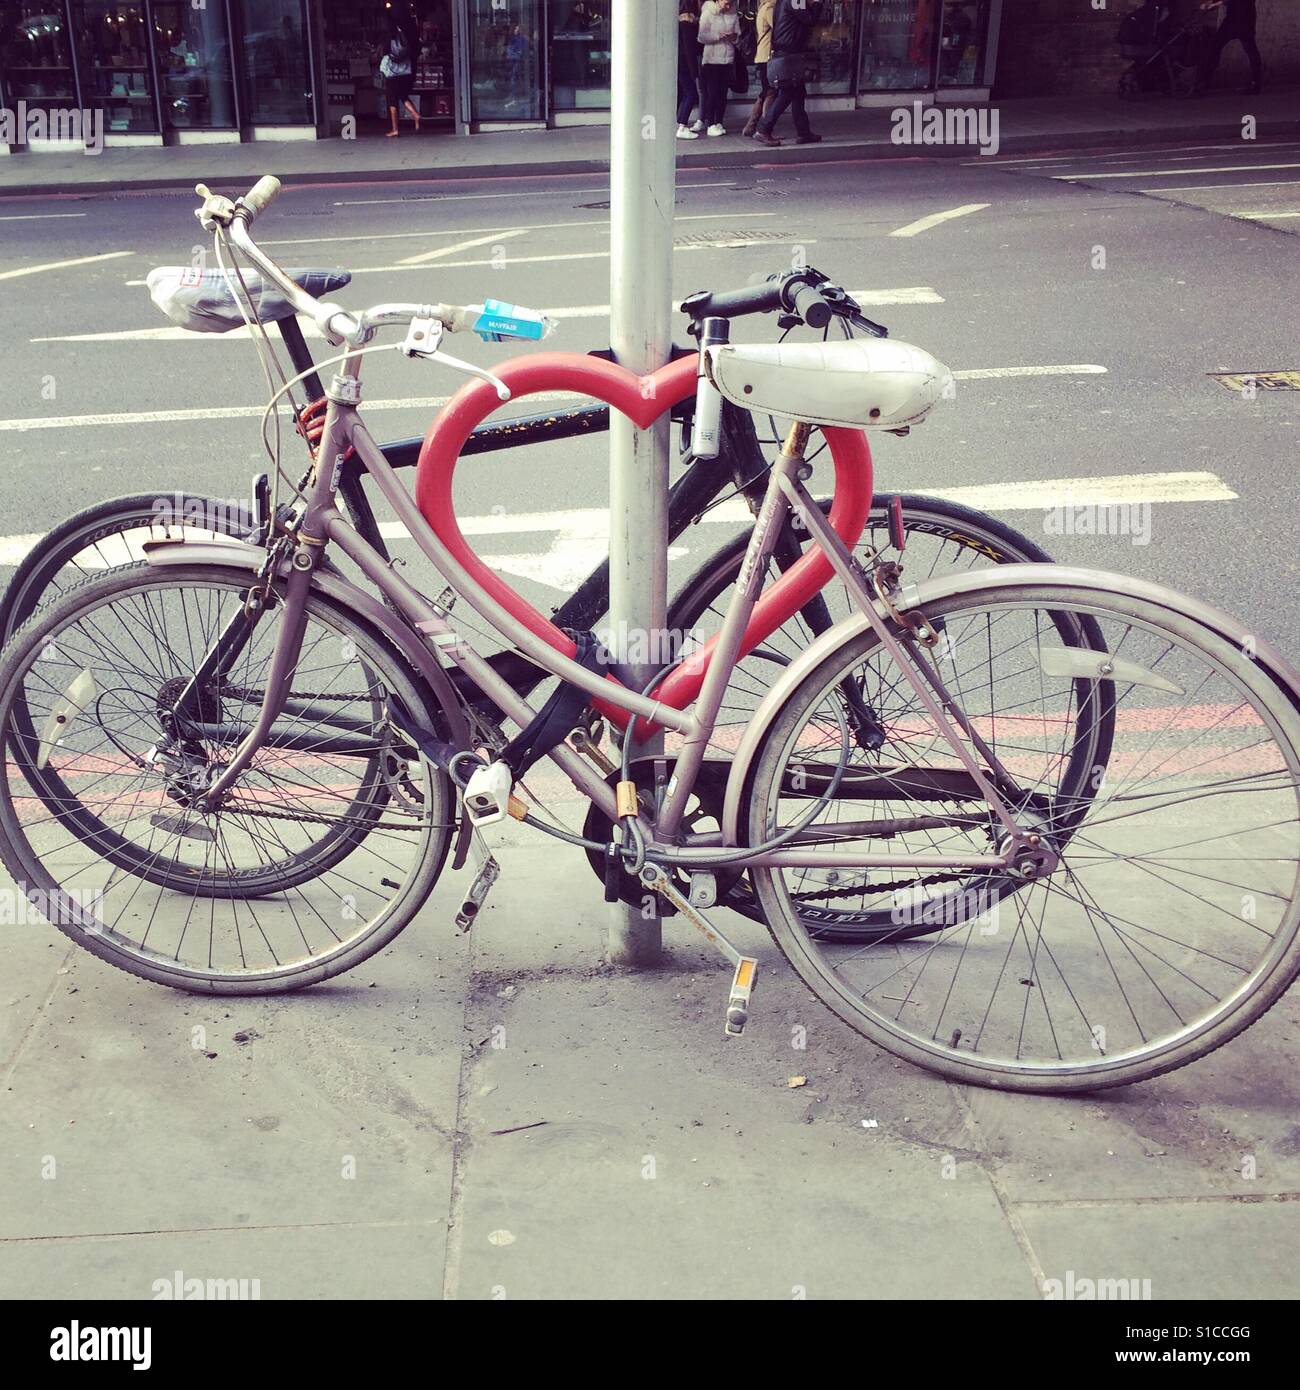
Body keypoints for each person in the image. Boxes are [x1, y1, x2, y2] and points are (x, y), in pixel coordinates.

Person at [753, 0, 822, 148]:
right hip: (789, 53)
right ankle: (764, 129)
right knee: (787, 93)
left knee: (798, 93)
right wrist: (817, 4)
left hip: (788, 52)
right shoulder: (796, 0)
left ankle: (804, 132)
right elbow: (810, 20)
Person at [1196, 0, 1262, 95]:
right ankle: (1205, 81)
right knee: (1216, 46)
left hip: (1244, 19)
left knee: (1251, 51)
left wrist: (1213, 4)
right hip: (1233, 19)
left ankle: (1256, 84)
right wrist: (1210, 3)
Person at [697, 0, 740, 137]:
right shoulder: (708, 13)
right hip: (711, 59)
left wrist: (733, 37)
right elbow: (701, 37)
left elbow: (738, 36)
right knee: (712, 93)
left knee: (722, 93)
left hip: (727, 59)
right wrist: (718, 36)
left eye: (730, 4)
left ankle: (719, 122)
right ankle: (710, 124)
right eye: (725, 3)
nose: (728, 7)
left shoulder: (733, 15)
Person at [742, 0, 777, 139]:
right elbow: (779, 28)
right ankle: (765, 128)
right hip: (767, 55)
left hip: (762, 55)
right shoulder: (769, 8)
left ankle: (750, 127)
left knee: (765, 92)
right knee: (770, 92)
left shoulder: (762, 7)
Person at [380, 18, 420, 137]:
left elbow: (384, 53)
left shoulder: (388, 39)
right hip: (404, 71)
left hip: (392, 73)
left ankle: (395, 129)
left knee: (392, 100)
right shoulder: (402, 36)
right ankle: (415, 114)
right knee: (402, 95)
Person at [676, 1, 703, 139]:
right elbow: (689, 50)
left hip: (680, 65)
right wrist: (694, 72)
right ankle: (682, 126)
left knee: (685, 93)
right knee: (691, 93)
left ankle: (680, 124)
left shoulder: (679, 25)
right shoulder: (686, 25)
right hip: (685, 65)